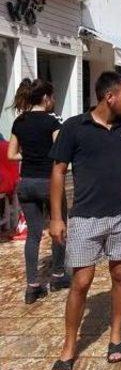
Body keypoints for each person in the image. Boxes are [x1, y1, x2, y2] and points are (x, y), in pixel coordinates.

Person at [48, 71, 121, 370]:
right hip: (84, 216)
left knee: (120, 275)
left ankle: (116, 335)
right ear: (110, 97)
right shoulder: (74, 128)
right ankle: (69, 348)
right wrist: (56, 217)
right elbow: (57, 172)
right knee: (81, 282)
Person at [7, 79, 70, 304]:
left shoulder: (19, 121)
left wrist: (30, 156)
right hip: (48, 183)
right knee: (59, 226)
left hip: (26, 184)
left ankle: (32, 285)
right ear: (45, 98)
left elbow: (11, 155)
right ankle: (59, 275)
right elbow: (60, 154)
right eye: (52, 97)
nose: (53, 101)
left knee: (33, 235)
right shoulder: (52, 122)